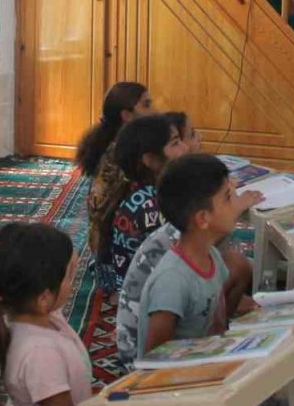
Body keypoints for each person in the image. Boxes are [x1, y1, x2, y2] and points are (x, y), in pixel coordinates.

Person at [136, 154, 262, 357]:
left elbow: (215, 320)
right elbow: (154, 358)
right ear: (203, 218)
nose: (235, 203)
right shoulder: (172, 281)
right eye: (228, 198)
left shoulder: (211, 255)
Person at [0, 223, 92, 406]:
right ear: (43, 298)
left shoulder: (37, 315)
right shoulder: (41, 354)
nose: (72, 284)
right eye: (69, 276)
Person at [95, 115, 188, 292]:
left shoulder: (141, 189)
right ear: (149, 160)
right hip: (144, 295)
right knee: (233, 266)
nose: (185, 147)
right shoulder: (149, 207)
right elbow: (189, 254)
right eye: (175, 143)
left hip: (136, 283)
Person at [77, 83, 155, 256]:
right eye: (147, 105)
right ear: (126, 115)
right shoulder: (118, 155)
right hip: (114, 248)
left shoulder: (123, 145)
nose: (155, 111)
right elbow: (101, 215)